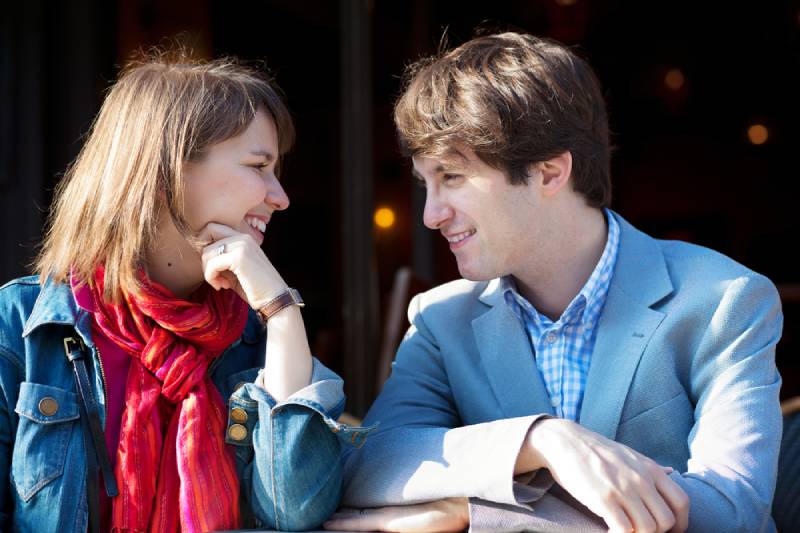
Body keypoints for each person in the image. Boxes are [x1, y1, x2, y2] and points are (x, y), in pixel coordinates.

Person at [328, 32, 783, 533]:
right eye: (425, 184)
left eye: (452, 177)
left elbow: (732, 510)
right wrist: (540, 440)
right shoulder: (441, 318)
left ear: (548, 173)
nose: (432, 215)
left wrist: (477, 513)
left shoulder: (724, 300)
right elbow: (368, 466)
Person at [0, 52, 366, 532]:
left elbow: (290, 512)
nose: (280, 197)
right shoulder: (21, 325)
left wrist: (281, 314)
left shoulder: (255, 342)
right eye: (259, 166)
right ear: (166, 172)